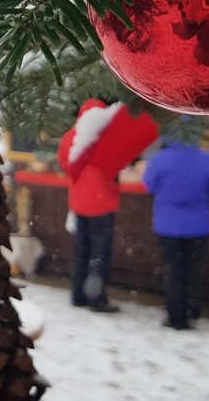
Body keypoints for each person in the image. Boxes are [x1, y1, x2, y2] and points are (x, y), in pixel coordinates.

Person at [143, 128, 209, 330]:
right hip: (198, 225)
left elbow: (149, 185)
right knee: (193, 271)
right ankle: (191, 311)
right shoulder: (206, 159)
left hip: (168, 225)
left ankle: (175, 315)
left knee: (174, 271)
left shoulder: (159, 159)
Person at [58, 101, 122, 313]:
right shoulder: (106, 138)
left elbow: (64, 163)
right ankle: (96, 298)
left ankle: (77, 295)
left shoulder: (70, 137)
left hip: (79, 203)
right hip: (102, 204)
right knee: (99, 254)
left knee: (81, 251)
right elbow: (117, 162)